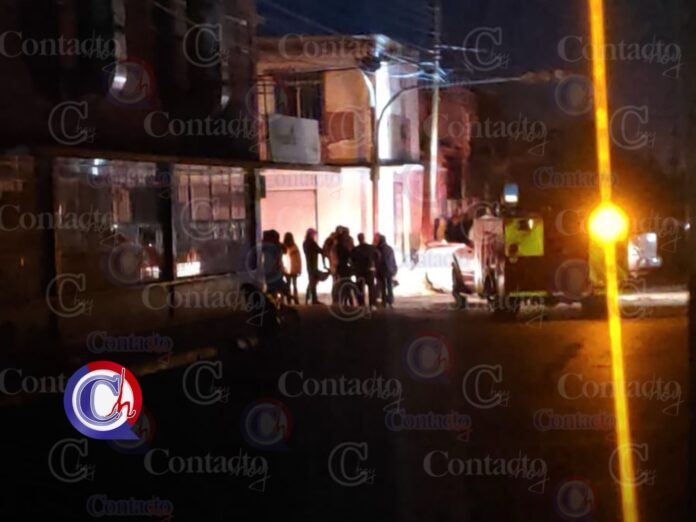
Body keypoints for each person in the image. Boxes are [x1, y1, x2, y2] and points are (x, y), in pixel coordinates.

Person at [350, 233, 379, 308]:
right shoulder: (371, 248)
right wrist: (374, 264)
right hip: (369, 270)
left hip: (359, 271)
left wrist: (354, 267)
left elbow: (351, 259)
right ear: (364, 238)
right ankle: (372, 303)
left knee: (360, 287)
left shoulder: (355, 249)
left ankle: (361, 303)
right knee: (371, 287)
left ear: (358, 239)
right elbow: (378, 255)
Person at [261, 230, 287, 300]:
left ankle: (275, 300)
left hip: (270, 270)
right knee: (275, 287)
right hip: (274, 270)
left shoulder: (266, 246)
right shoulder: (278, 247)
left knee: (271, 287)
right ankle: (279, 300)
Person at [303, 228, 325, 305]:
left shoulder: (305, 243)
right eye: (313, 234)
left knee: (312, 281)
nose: (314, 236)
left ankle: (312, 298)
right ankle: (312, 298)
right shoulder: (312, 243)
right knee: (312, 282)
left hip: (309, 264)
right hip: (313, 264)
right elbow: (320, 250)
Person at [375, 233, 397, 308]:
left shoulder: (378, 249)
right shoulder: (389, 248)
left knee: (383, 286)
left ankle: (384, 301)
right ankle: (390, 300)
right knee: (389, 285)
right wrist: (394, 269)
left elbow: (377, 260)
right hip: (389, 270)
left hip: (381, 270)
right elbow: (393, 260)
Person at [282, 232, 301, 305]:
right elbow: (298, 259)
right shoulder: (294, 247)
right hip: (293, 268)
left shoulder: (284, 247)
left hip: (288, 269)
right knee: (294, 285)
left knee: (288, 285)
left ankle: (289, 299)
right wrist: (299, 269)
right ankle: (295, 299)